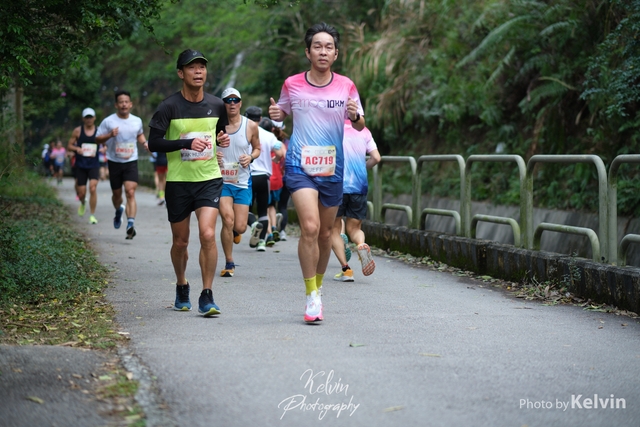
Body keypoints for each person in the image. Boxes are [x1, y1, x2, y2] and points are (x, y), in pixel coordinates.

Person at [269, 22, 366, 323]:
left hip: (332, 168)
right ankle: (311, 295)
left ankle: (318, 286)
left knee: (326, 234)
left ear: (336, 54)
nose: (323, 51)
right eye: (317, 46)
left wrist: (355, 117)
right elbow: (281, 115)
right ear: (307, 52)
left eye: (328, 47)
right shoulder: (292, 83)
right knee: (310, 228)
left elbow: (360, 125)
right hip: (300, 165)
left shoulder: (346, 85)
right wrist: (277, 116)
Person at [148, 49, 230, 317]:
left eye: (201, 67)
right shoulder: (168, 106)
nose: (198, 72)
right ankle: (182, 284)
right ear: (180, 73)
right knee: (181, 242)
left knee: (207, 234)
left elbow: (219, 135)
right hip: (179, 182)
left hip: (209, 178)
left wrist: (222, 140)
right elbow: (154, 143)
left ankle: (207, 294)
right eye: (192, 67)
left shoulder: (217, 105)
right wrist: (185, 143)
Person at [217, 87, 261, 277]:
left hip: (242, 181)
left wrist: (250, 157)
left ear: (241, 103)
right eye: (228, 100)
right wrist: (214, 155)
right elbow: (205, 147)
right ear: (223, 104)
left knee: (240, 226)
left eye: (235, 100)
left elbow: (257, 148)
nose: (232, 103)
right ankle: (229, 262)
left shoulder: (250, 126)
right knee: (227, 220)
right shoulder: (216, 125)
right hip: (222, 182)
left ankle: (236, 232)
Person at [331, 119, 380, 281]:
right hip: (359, 186)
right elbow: (376, 158)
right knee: (354, 229)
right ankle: (361, 245)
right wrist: (362, 167)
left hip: (336, 185)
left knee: (333, 229)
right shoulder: (364, 130)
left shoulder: (332, 127)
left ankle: (346, 270)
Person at [96, 90, 147, 240]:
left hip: (131, 161)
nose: (124, 104)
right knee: (117, 195)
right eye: (121, 102)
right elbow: (97, 139)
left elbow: (139, 134)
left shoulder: (137, 121)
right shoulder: (108, 121)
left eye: (126, 102)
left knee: (130, 192)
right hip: (114, 161)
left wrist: (145, 143)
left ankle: (130, 224)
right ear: (116, 105)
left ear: (130, 104)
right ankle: (118, 210)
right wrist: (109, 135)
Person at [245, 106, 285, 252]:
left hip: (248, 176)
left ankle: (254, 225)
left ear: (246, 117)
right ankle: (262, 242)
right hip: (264, 177)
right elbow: (280, 152)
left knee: (245, 209)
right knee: (263, 210)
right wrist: (276, 159)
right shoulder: (269, 136)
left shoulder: (243, 132)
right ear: (260, 119)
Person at [67, 107, 101, 224]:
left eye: (90, 117)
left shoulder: (99, 131)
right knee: (81, 192)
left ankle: (92, 215)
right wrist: (77, 149)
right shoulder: (77, 131)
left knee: (92, 188)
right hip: (81, 165)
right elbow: (69, 145)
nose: (89, 119)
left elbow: (105, 143)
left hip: (94, 164)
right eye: (87, 117)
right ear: (83, 119)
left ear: (94, 118)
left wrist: (104, 149)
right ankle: (82, 202)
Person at [272, 121, 290, 241]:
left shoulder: (269, 141)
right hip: (287, 177)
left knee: (271, 205)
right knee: (283, 206)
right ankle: (282, 231)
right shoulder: (288, 143)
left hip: (272, 177)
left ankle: (272, 229)